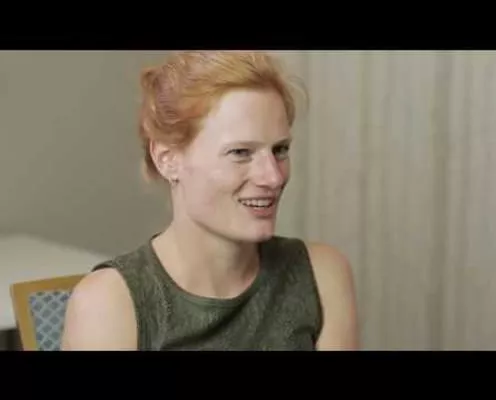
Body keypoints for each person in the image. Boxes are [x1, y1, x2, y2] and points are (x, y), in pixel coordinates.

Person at [61, 51, 358, 351]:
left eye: (279, 150)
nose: (273, 177)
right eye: (240, 152)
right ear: (168, 159)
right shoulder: (110, 305)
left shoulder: (322, 276)